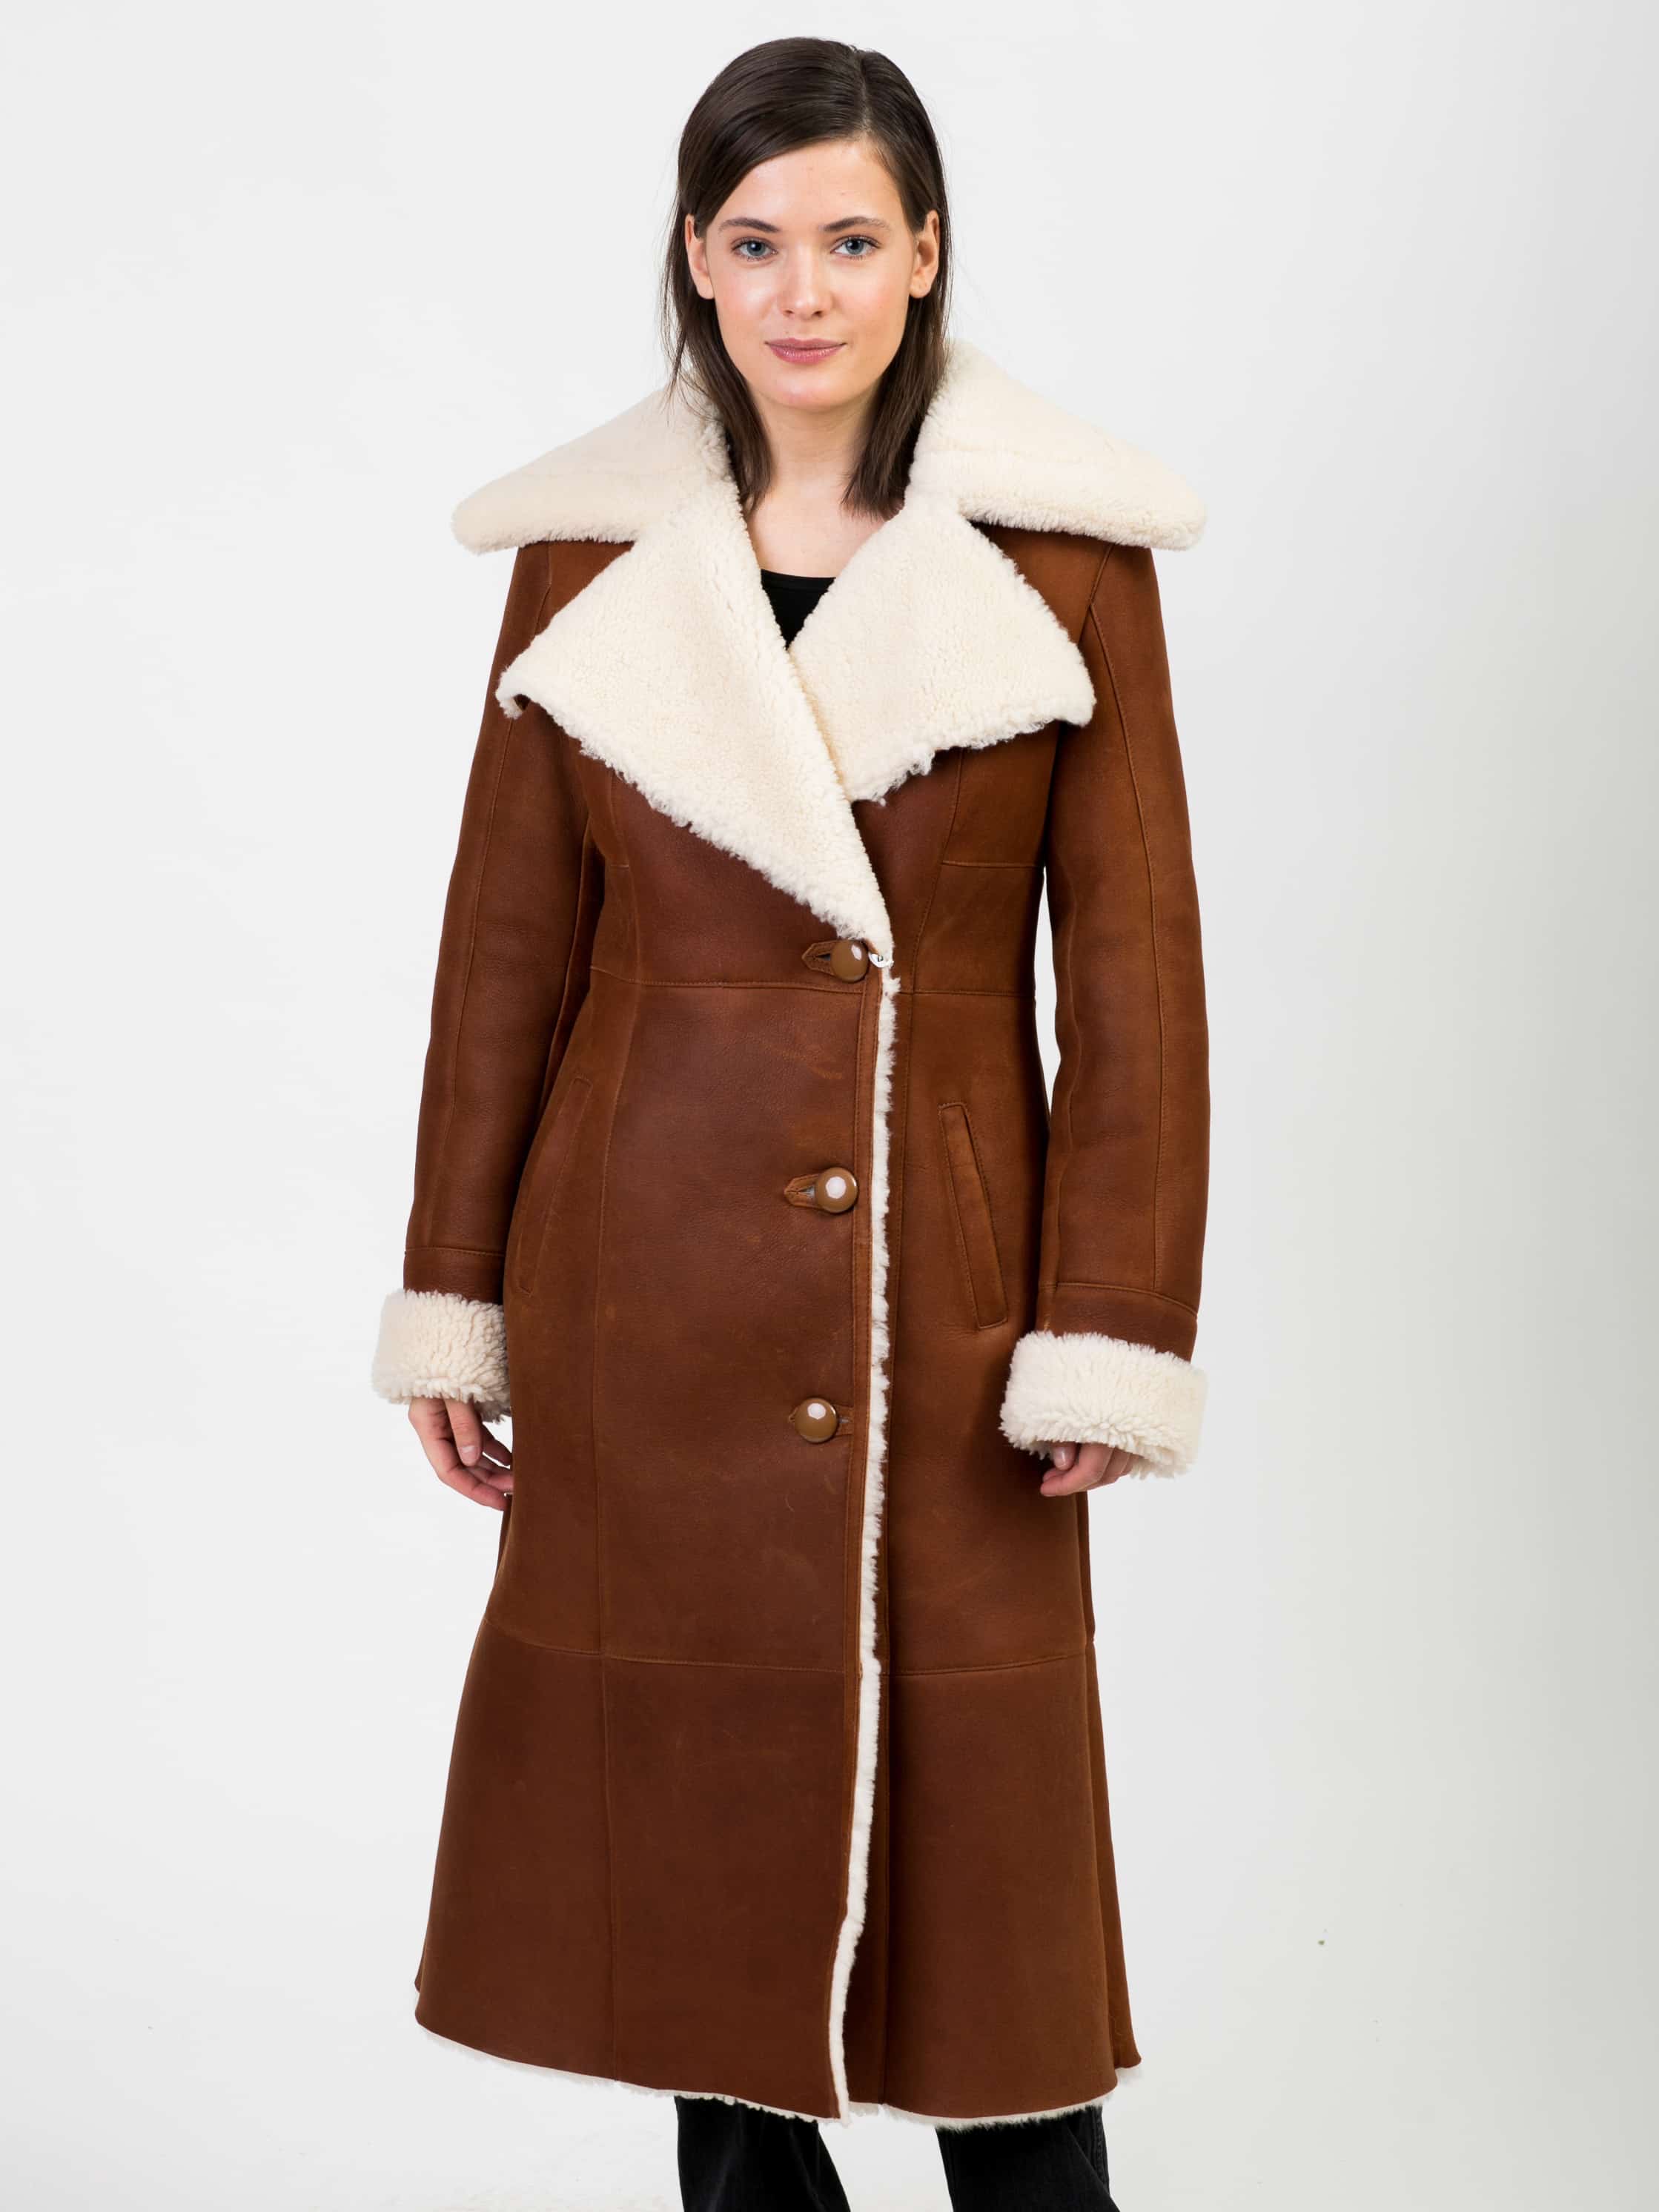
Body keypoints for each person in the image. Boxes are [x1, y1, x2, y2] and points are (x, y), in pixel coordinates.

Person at [370, 35, 1210, 2212]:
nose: (801, 292)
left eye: (849, 240)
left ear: (926, 254)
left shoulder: (1065, 563)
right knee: (711, 1928)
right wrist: (454, 1296)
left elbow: (1134, 985)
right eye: (755, 245)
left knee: (1006, 1978)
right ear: (697, 261)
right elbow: (502, 959)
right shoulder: (585, 561)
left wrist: (1110, 1324)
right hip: (639, 1304)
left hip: (948, 1320)